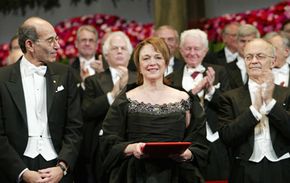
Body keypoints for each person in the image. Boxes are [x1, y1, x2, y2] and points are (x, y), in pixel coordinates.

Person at [100, 36, 208, 183]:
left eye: (158, 57)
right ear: (138, 65)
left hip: (178, 175)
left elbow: (199, 141)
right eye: (146, 58)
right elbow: (108, 141)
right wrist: (132, 148)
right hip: (135, 175)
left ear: (166, 62)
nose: (152, 63)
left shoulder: (185, 99)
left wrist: (188, 153)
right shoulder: (125, 100)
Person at [0, 17, 83, 183]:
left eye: (57, 39)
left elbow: (75, 126)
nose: (57, 46)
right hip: (16, 167)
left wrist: (62, 166)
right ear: (30, 45)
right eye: (50, 40)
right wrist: (21, 172)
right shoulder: (2, 78)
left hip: (57, 166)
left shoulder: (65, 74)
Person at [219, 38, 290, 183]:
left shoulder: (287, 94)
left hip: (283, 167)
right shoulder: (230, 97)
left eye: (260, 56)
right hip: (244, 168)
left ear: (273, 61)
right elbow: (226, 137)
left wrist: (270, 103)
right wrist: (255, 109)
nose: (254, 61)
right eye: (249, 57)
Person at [167, 29, 230, 181]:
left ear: (205, 51)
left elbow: (229, 106)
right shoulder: (170, 78)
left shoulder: (220, 72)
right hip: (185, 141)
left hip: (215, 140)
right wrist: (194, 91)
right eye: (188, 48)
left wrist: (211, 90)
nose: (192, 53)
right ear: (181, 50)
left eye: (197, 48)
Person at [81, 31, 137, 182]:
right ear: (106, 55)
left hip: (135, 143)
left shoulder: (141, 78)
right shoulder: (93, 81)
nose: (119, 51)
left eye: (123, 48)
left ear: (130, 54)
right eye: (115, 48)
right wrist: (112, 95)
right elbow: (86, 111)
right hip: (103, 146)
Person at [225, 24, 260, 89]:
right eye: (242, 41)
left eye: (250, 41)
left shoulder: (265, 66)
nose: (246, 45)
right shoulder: (226, 69)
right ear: (236, 43)